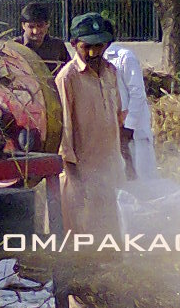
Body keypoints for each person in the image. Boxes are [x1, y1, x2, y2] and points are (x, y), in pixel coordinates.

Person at [55, 13, 127, 236]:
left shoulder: (110, 72)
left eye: (99, 46)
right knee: (81, 237)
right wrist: (77, 180)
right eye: (87, 47)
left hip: (109, 169)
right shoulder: (67, 78)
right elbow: (64, 135)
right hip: (81, 174)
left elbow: (116, 119)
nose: (94, 53)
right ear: (74, 44)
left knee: (110, 231)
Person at [104, 40, 157, 179]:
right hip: (113, 129)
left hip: (132, 129)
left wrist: (128, 127)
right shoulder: (91, 61)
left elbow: (137, 93)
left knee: (142, 176)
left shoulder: (125, 57)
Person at [19, 2, 68, 74]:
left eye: (40, 26)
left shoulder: (58, 46)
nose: (36, 31)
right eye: (31, 27)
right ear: (23, 25)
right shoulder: (14, 46)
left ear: (48, 24)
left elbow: (67, 72)